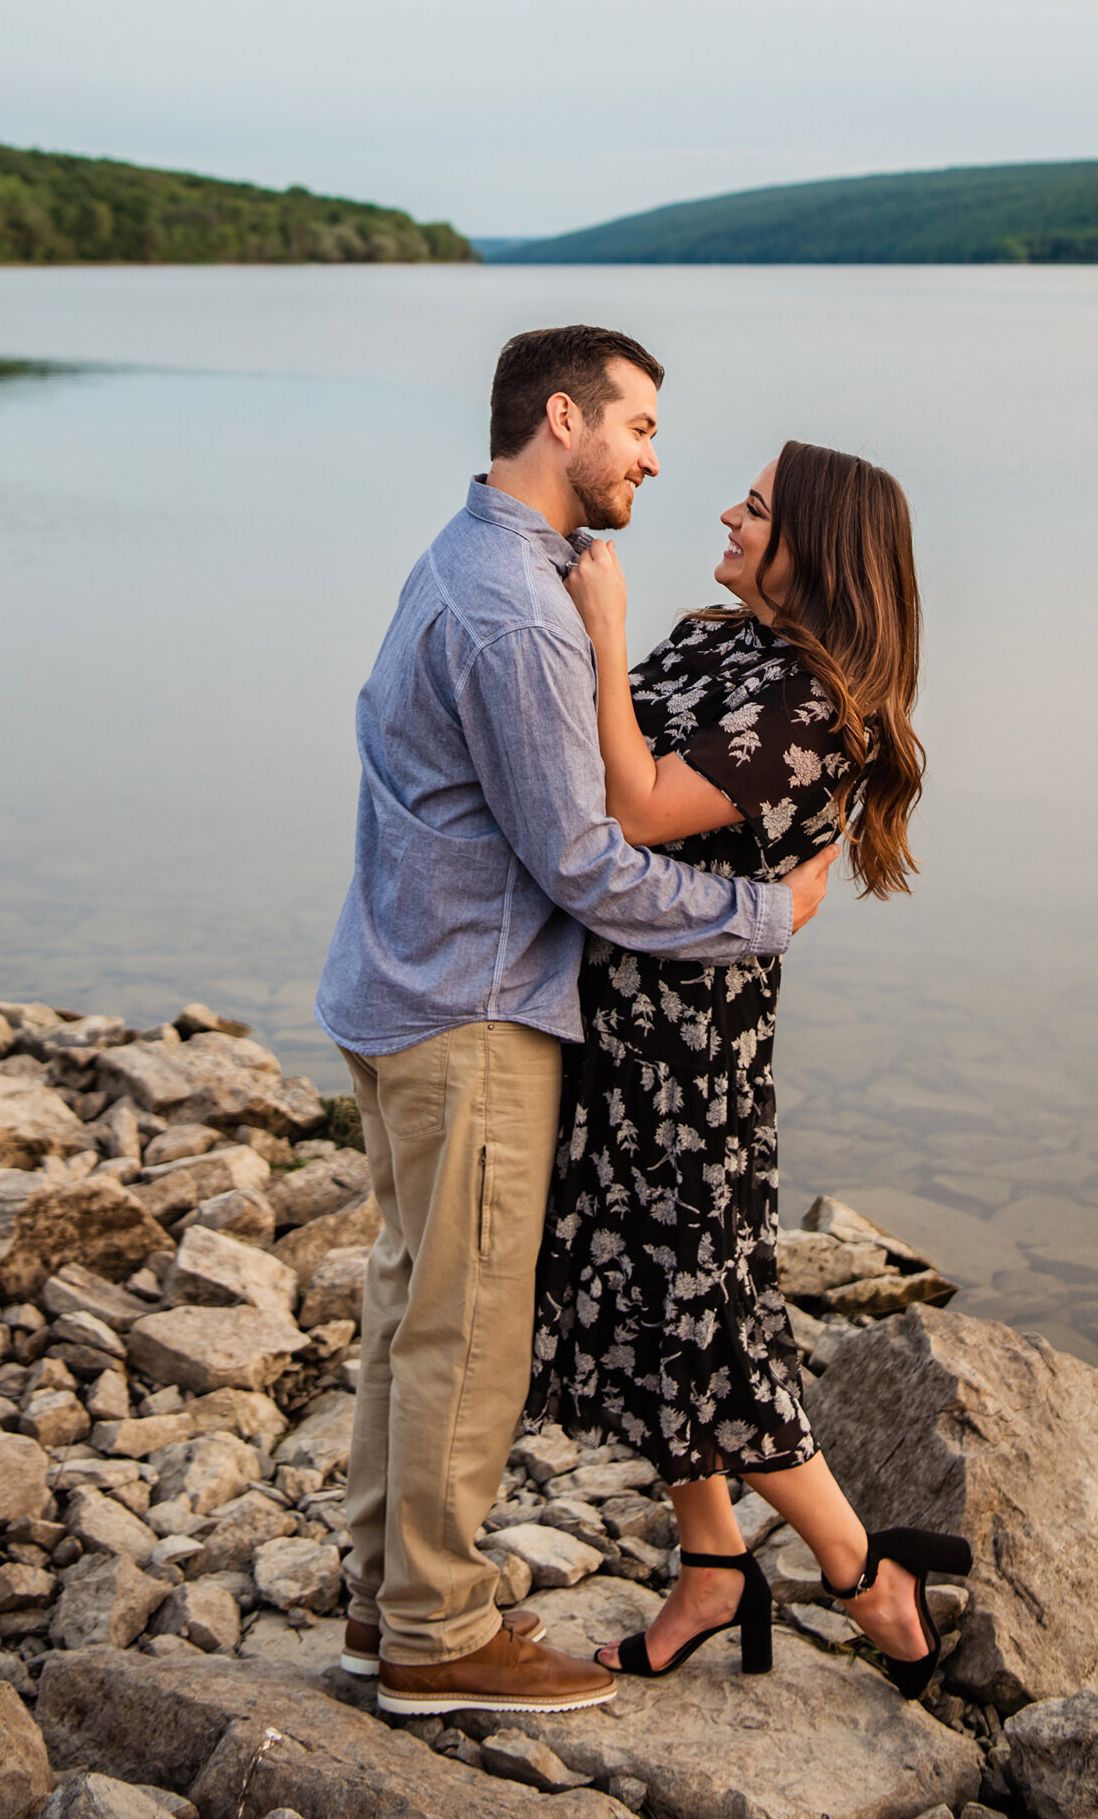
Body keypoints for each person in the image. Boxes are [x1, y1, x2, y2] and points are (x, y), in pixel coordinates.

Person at [313, 328, 838, 1718]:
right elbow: (584, 865)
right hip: (470, 1013)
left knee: (408, 1307)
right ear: (565, 420)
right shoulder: (519, 611)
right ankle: (435, 1635)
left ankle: (379, 1608)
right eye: (641, 427)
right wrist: (764, 919)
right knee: (465, 1335)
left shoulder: (475, 560)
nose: (657, 461)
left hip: (397, 987)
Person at [528, 439, 971, 1695]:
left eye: (758, 506)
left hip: (688, 1047)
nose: (724, 511)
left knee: (705, 1309)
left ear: (815, 547)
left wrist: (601, 628)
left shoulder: (814, 708)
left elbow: (634, 804)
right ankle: (714, 1562)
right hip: (607, 1012)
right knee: (645, 1296)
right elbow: (580, 749)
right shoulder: (721, 640)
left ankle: (859, 1568)